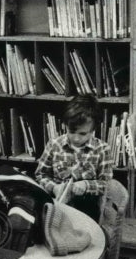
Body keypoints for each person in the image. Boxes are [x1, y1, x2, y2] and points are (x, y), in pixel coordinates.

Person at [34, 95, 113, 223]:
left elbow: (107, 184)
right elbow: (40, 174)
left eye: (83, 134)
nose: (76, 138)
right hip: (56, 202)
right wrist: (53, 187)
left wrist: (86, 185)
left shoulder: (102, 149)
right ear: (65, 125)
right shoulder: (54, 145)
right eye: (72, 131)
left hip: (86, 206)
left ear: (93, 129)